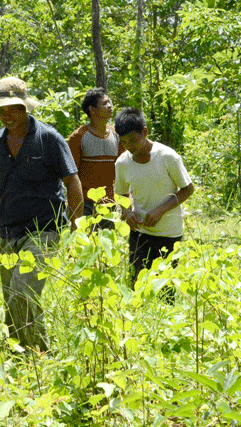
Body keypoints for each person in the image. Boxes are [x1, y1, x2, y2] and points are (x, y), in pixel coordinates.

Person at [0, 77, 83, 352]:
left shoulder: (48, 138)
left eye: (12, 109)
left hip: (44, 230)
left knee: (23, 290)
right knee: (10, 299)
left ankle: (41, 353)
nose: (6, 116)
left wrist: (76, 229)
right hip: (9, 232)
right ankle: (20, 357)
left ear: (25, 107)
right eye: (0, 111)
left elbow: (72, 182)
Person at [113, 107, 194, 289]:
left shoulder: (167, 157)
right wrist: (127, 212)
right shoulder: (123, 163)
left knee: (166, 290)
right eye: (124, 142)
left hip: (169, 234)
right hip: (140, 234)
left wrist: (160, 210)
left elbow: (188, 189)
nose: (130, 146)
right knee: (137, 286)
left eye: (133, 140)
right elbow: (120, 194)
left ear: (145, 132)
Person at [67, 88, 119, 224]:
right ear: (92, 109)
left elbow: (122, 169)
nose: (110, 106)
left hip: (109, 203)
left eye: (109, 102)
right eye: (104, 103)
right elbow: (70, 175)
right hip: (84, 203)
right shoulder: (78, 136)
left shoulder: (117, 135)